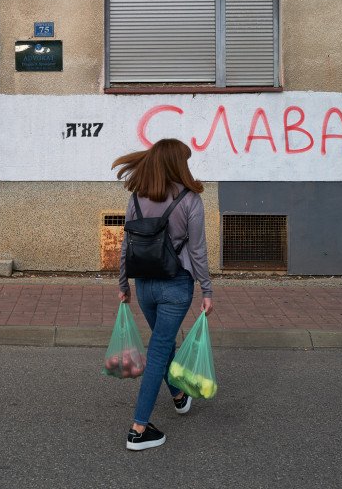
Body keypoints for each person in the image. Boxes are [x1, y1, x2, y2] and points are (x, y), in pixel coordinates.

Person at [112, 138, 213, 452]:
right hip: (175, 286)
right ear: (176, 164)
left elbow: (126, 245)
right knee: (158, 352)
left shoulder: (137, 197)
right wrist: (207, 290)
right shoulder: (190, 199)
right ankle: (139, 429)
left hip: (145, 286)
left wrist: (123, 284)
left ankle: (179, 396)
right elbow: (197, 252)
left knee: (162, 341)